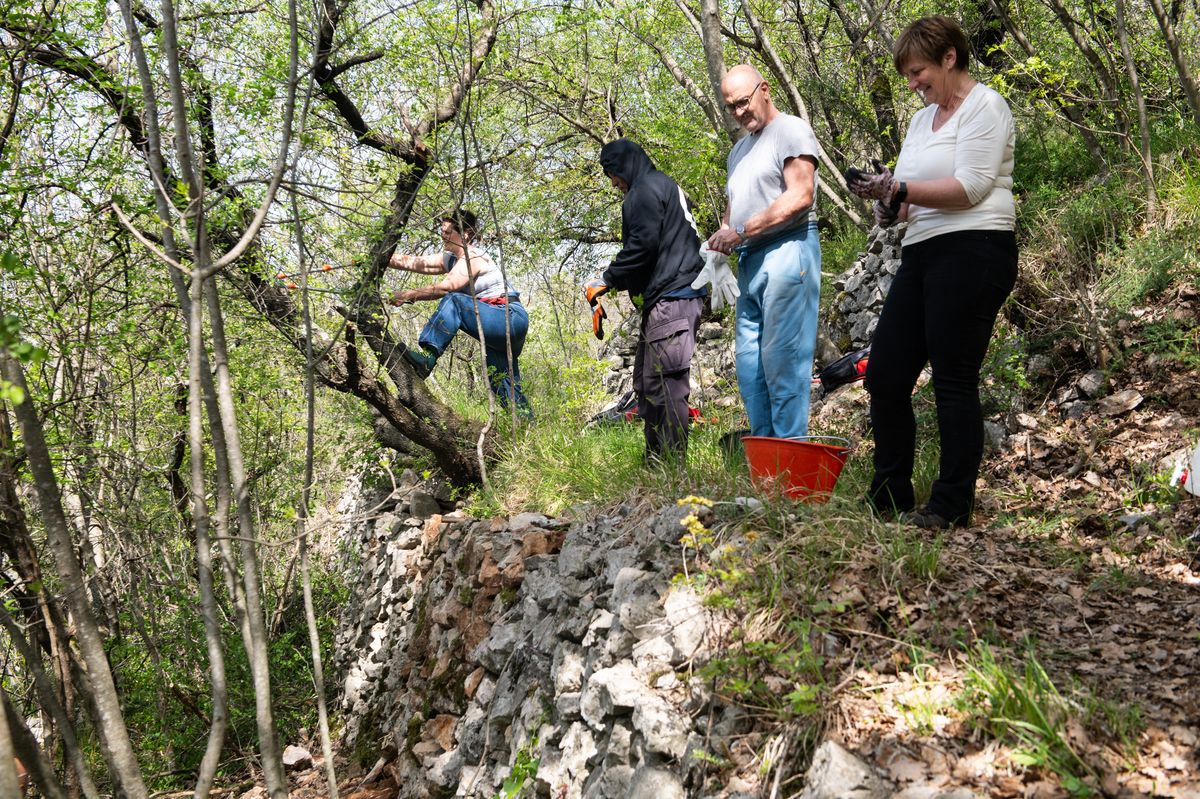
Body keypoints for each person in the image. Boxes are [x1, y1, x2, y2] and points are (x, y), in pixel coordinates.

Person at [847, 15, 1018, 530]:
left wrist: (900, 190)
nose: (912, 83)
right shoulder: (921, 122)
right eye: (907, 75)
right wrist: (886, 201)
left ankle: (950, 504)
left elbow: (971, 187)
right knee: (885, 374)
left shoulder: (987, 105)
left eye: (918, 71)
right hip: (921, 252)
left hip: (976, 247)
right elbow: (905, 201)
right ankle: (889, 496)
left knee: (952, 377)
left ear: (949, 58)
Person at [707, 65, 822, 440]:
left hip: (788, 251)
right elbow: (734, 208)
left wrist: (741, 231)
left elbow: (800, 196)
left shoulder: (790, 130)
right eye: (731, 107)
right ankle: (767, 462)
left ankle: (791, 460)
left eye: (743, 102)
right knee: (750, 369)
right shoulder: (738, 151)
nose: (739, 112)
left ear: (765, 89)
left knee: (783, 362)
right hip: (749, 262)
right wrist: (721, 242)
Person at [597, 139, 706, 462]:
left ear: (624, 166)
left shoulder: (644, 190)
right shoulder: (663, 185)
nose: (614, 183)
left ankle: (671, 465)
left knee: (665, 383)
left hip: (673, 296)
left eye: (613, 174)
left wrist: (607, 279)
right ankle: (656, 462)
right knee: (648, 383)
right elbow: (654, 248)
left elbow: (643, 246)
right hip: (668, 296)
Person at [388, 209, 531, 414]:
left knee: (454, 300)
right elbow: (414, 262)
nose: (443, 236)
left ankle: (427, 358)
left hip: (508, 317)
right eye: (442, 231)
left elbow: (447, 287)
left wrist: (407, 295)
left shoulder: (473, 256)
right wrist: (380, 257)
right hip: (500, 326)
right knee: (501, 381)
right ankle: (525, 423)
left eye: (448, 232)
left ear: (464, 234)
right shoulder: (451, 259)